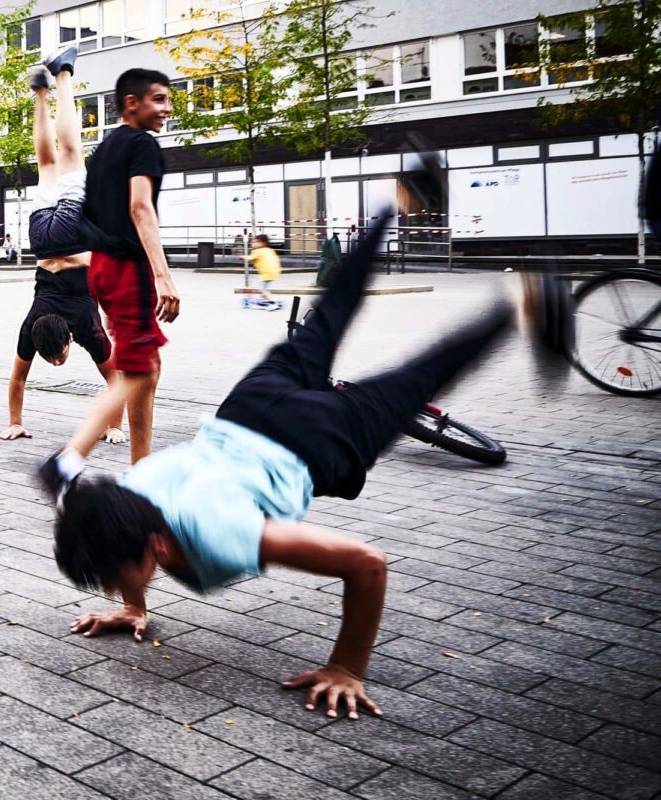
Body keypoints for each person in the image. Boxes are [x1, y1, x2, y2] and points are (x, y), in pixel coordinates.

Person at [40, 193, 574, 720]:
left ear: (152, 546)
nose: (114, 586)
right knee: (330, 311)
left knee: (421, 376)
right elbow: (118, 528)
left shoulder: (220, 532)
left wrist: (346, 666)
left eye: (117, 579)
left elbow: (367, 565)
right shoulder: (131, 496)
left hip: (313, 440)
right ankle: (395, 201)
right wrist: (133, 606)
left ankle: (521, 304)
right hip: (249, 405)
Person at [2, 45, 124, 445]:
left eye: (57, 357)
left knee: (71, 155)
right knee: (47, 166)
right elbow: (18, 379)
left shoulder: (88, 329)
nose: (57, 362)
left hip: (70, 237)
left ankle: (63, 74)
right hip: (40, 240)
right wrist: (14, 421)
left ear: (69, 339)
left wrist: (115, 427)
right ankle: (39, 93)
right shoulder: (30, 326)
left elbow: (115, 380)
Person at [79, 68, 180, 462]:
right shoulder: (142, 145)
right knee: (138, 372)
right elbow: (141, 208)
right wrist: (164, 276)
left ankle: (141, 470)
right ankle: (69, 459)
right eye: (158, 99)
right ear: (131, 103)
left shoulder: (103, 149)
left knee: (146, 369)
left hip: (101, 267)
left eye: (168, 99)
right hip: (127, 268)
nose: (166, 108)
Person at [243, 233, 282, 309]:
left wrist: (243, 257)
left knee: (263, 289)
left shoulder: (258, 251)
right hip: (274, 271)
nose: (253, 244)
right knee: (264, 288)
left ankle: (273, 303)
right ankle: (264, 299)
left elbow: (250, 258)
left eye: (256, 242)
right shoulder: (270, 250)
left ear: (263, 243)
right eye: (253, 242)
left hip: (266, 273)